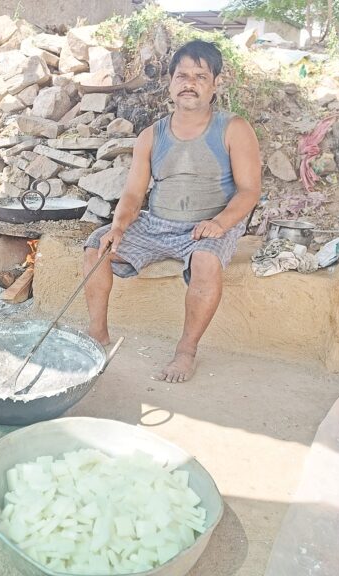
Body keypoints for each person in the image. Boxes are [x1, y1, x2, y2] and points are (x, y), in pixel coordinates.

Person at [83, 39, 261, 383]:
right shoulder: (152, 135)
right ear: (170, 82)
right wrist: (118, 227)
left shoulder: (234, 129)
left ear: (216, 83)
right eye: (181, 76)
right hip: (157, 224)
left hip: (207, 227)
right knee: (97, 246)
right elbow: (134, 193)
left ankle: (186, 351)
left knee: (206, 261)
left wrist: (220, 222)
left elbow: (250, 190)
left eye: (199, 76)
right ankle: (97, 335)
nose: (189, 84)